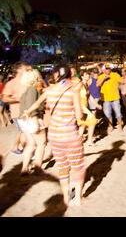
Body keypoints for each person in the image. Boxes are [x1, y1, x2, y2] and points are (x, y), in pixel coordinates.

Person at [23, 64, 85, 206]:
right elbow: (79, 115)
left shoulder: (49, 90)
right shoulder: (73, 91)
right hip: (70, 134)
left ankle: (65, 198)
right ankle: (78, 199)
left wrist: (26, 113)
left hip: (55, 136)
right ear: (69, 75)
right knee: (78, 167)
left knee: (63, 167)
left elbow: (36, 103)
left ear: (56, 75)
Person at [18, 69, 46, 175]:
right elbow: (32, 106)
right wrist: (35, 122)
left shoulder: (24, 89)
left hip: (24, 120)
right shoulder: (32, 89)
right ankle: (38, 167)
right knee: (41, 144)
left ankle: (24, 168)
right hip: (32, 119)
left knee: (31, 145)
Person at [2, 62, 29, 155]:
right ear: (19, 70)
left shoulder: (26, 82)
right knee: (23, 131)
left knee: (22, 131)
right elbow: (4, 98)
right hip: (17, 112)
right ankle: (28, 152)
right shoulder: (11, 83)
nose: (28, 71)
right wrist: (17, 99)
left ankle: (15, 147)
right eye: (26, 69)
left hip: (27, 112)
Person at [96, 64, 123, 134]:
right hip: (106, 99)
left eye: (108, 69)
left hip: (115, 97)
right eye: (106, 69)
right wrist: (103, 79)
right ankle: (111, 126)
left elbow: (122, 81)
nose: (107, 70)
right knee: (108, 114)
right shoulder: (101, 76)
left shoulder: (115, 75)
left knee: (118, 113)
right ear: (103, 70)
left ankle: (120, 126)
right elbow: (98, 85)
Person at [77, 70, 98, 146]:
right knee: (92, 120)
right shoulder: (80, 84)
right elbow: (75, 94)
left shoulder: (86, 84)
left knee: (83, 124)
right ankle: (89, 140)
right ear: (82, 76)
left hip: (85, 106)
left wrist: (96, 104)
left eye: (88, 74)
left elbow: (89, 96)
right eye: (85, 75)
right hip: (81, 106)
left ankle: (78, 141)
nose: (88, 76)